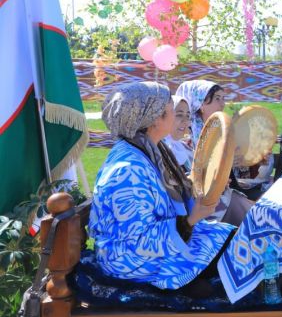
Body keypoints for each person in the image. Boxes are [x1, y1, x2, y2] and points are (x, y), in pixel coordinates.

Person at [88, 82, 234, 294]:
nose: (177, 116)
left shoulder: (148, 149)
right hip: (130, 262)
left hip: (153, 247)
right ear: (155, 119)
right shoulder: (127, 171)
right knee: (230, 263)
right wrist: (191, 219)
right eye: (172, 110)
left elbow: (161, 194)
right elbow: (139, 239)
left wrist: (202, 184)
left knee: (235, 241)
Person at [176, 79, 252, 225]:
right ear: (200, 104)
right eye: (217, 99)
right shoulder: (183, 139)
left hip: (224, 197)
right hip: (201, 209)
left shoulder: (219, 133)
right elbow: (189, 181)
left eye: (223, 99)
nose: (222, 104)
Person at [162, 96, 193, 172]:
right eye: (179, 115)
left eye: (188, 116)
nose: (185, 121)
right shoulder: (159, 148)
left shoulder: (182, 147)